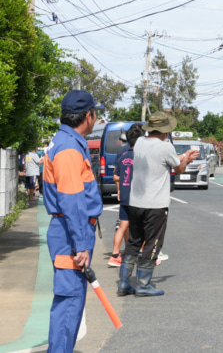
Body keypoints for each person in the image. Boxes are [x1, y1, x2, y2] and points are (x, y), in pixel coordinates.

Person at [42, 90, 104, 352]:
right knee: (69, 301)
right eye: (96, 114)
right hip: (71, 232)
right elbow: (72, 200)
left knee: (71, 300)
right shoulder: (69, 148)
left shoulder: (67, 142)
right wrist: (80, 244)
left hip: (69, 229)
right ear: (88, 116)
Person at [119, 112, 199, 298]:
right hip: (155, 204)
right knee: (152, 244)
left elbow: (160, 158)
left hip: (135, 201)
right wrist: (186, 158)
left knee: (133, 242)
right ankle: (144, 285)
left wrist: (182, 157)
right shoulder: (166, 147)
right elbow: (178, 168)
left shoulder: (139, 143)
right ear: (165, 130)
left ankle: (124, 283)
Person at [108, 124, 144, 267]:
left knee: (123, 226)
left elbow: (116, 176)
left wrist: (119, 188)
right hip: (137, 196)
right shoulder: (141, 157)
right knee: (142, 226)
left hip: (124, 194)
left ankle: (115, 255)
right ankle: (148, 255)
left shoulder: (123, 155)